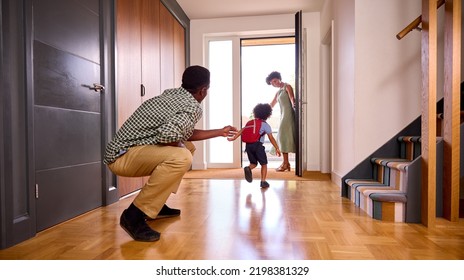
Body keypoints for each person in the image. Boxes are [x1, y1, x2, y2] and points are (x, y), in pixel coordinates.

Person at [103, 65, 237, 242]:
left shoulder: (171, 96)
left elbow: (183, 133)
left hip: (123, 152)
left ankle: (156, 205)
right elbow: (168, 135)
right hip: (122, 156)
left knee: (187, 148)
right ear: (203, 90)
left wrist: (220, 131)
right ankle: (133, 216)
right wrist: (180, 148)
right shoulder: (191, 106)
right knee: (182, 156)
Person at [228, 103, 281, 188]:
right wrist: (277, 148)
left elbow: (242, 130)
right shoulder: (265, 125)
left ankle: (248, 168)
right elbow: (271, 138)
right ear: (267, 115)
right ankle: (263, 182)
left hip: (248, 146)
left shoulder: (250, 122)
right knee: (264, 164)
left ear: (255, 113)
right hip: (258, 146)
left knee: (253, 163)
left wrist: (234, 138)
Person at [266, 71, 296, 172]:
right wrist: (262, 112)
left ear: (279, 78)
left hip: (289, 115)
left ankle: (285, 163)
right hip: (283, 115)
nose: (275, 84)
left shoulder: (287, 86)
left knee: (282, 136)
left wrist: (293, 104)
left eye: (275, 81)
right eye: (272, 83)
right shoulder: (278, 92)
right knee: (282, 137)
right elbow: (271, 104)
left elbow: (292, 97)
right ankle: (286, 163)